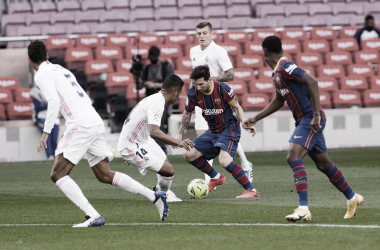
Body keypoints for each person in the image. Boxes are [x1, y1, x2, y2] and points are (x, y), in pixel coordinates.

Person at [28, 40, 169, 227]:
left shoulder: (41, 74)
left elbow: (53, 100)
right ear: (47, 55)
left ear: (30, 60)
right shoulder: (61, 69)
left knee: (57, 174)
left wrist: (46, 132)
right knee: (104, 174)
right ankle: (153, 195)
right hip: (93, 120)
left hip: (81, 124)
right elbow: (84, 96)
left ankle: (92, 215)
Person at [243, 36, 364, 221]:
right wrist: (256, 118)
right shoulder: (277, 73)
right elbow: (278, 100)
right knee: (323, 164)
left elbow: (313, 82)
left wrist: (315, 114)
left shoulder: (286, 67)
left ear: (264, 52)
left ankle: (303, 208)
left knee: (293, 156)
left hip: (310, 118)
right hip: (304, 120)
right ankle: (352, 197)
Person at [175, 65, 259, 198]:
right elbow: (187, 113)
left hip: (229, 128)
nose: (198, 87)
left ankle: (251, 190)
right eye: (196, 84)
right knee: (188, 154)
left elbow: (237, 107)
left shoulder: (222, 89)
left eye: (201, 84)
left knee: (224, 160)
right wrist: (180, 133)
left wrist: (244, 121)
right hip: (212, 131)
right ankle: (216, 178)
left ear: (209, 79)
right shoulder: (193, 93)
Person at [189, 20, 254, 185]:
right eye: (199, 33)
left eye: (204, 33)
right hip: (201, 100)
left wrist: (210, 81)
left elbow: (230, 75)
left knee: (221, 138)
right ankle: (214, 179)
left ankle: (245, 164)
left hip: (218, 101)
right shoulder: (193, 51)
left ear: (211, 34)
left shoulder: (219, 51)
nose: (201, 36)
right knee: (204, 140)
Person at [118, 75, 194, 203]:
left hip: (143, 140)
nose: (178, 97)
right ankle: (161, 195)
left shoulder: (155, 99)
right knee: (169, 171)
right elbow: (154, 132)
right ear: (175, 92)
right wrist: (178, 142)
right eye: (179, 93)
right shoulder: (156, 103)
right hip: (132, 144)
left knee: (166, 164)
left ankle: (161, 191)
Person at [142, 46, 175, 154]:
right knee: (149, 126)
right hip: (150, 101)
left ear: (159, 56)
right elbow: (140, 85)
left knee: (157, 126)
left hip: (163, 101)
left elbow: (171, 84)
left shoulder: (165, 67)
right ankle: (152, 149)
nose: (152, 60)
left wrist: (154, 85)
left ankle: (162, 150)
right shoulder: (147, 68)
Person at [30, 85, 59, 160]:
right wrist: (49, 105)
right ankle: (50, 156)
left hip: (54, 119)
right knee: (47, 139)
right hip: (43, 119)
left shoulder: (52, 88)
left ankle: (55, 155)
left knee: (54, 139)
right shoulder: (36, 91)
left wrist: (48, 105)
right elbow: (38, 107)